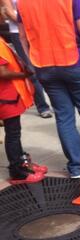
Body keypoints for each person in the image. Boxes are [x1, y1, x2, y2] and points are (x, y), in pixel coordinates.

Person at [18, 0, 80, 179]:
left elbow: (23, 37)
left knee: (64, 118)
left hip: (44, 66)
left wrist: (32, 62)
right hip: (76, 62)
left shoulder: (23, 3)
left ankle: (76, 168)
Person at [0, 36, 46, 184]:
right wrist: (25, 75)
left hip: (8, 96)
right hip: (5, 97)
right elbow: (3, 73)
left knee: (14, 132)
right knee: (13, 133)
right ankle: (17, 171)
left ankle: (22, 163)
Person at [0, 0, 52, 118]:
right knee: (30, 69)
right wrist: (31, 20)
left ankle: (56, 102)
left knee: (46, 66)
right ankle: (43, 106)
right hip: (18, 32)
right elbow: (8, 12)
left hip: (38, 30)